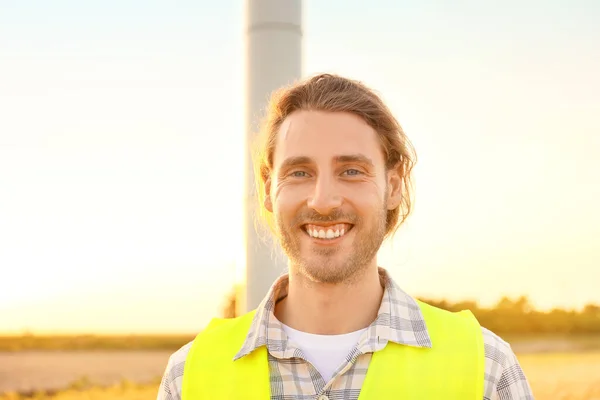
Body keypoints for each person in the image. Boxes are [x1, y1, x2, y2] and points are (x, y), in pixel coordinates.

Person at [157, 74, 534, 399]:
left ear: (393, 185)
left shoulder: (486, 369)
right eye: (299, 172)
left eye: (351, 171)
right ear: (269, 189)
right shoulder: (188, 377)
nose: (323, 201)